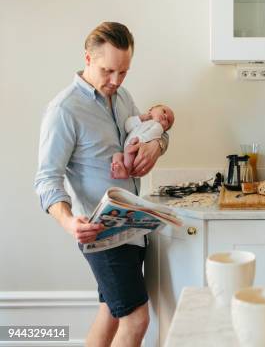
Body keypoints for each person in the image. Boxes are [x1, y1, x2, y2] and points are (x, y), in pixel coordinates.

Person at [34, 22, 168, 347]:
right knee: (136, 320)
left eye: (124, 72)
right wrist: (68, 222)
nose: (116, 81)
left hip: (133, 226)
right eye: (109, 71)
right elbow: (46, 180)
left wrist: (157, 145)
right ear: (88, 59)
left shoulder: (123, 97)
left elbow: (148, 133)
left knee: (110, 311)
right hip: (101, 234)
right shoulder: (64, 110)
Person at [112, 104, 175, 179]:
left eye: (168, 121)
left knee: (130, 152)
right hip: (127, 147)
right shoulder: (142, 121)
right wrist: (139, 118)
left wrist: (139, 139)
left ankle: (126, 171)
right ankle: (118, 167)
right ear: (151, 109)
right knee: (117, 155)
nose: (165, 116)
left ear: (165, 128)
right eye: (164, 111)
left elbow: (150, 135)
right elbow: (127, 127)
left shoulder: (158, 127)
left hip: (137, 149)